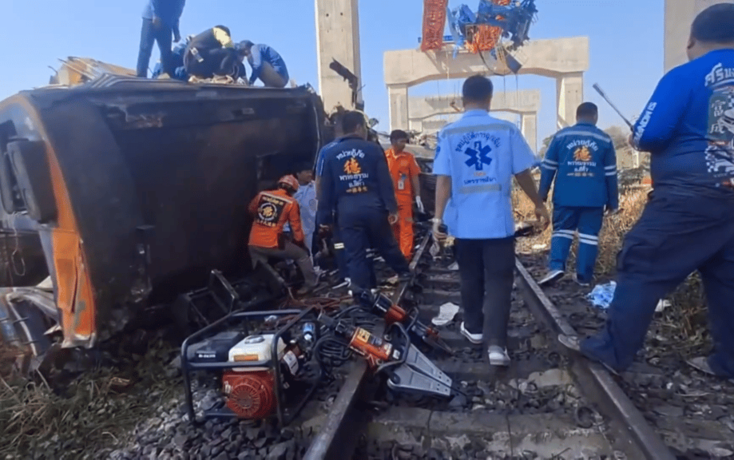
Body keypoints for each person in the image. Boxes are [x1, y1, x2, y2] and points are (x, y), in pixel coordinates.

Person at [559, 3, 734, 380]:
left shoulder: (685, 76)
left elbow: (652, 133)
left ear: (691, 40)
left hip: (690, 196)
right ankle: (728, 362)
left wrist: (636, 136)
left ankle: (612, 350)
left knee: (642, 262)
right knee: (727, 278)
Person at [433, 75, 550, 366]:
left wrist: (437, 219)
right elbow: (522, 173)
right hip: (497, 224)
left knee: (469, 276)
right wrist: (538, 204)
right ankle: (496, 345)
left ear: (463, 100)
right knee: (499, 281)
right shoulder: (506, 129)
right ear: (489, 98)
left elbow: (443, 180)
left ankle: (474, 328)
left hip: (464, 225)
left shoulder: (448, 133)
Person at [317, 111, 412, 293]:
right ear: (359, 127)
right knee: (387, 244)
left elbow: (325, 188)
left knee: (355, 254)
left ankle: (362, 293)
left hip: (347, 211)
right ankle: (404, 272)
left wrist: (324, 217)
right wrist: (392, 208)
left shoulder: (330, 153)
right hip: (373, 207)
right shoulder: (373, 149)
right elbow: (385, 182)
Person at [538, 103, 619, 287]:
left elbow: (548, 168)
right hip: (594, 198)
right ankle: (583, 276)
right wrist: (613, 201)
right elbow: (611, 174)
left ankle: (556, 266)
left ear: (577, 116)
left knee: (562, 230)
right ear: (595, 116)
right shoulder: (604, 139)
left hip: (565, 195)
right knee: (589, 235)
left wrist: (541, 196)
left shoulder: (561, 136)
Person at [248, 175, 318, 295]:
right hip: (273, 243)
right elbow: (296, 228)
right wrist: (300, 244)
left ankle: (265, 290)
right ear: (293, 191)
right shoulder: (291, 202)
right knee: (302, 255)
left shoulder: (262, 195)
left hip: (253, 242)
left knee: (261, 267)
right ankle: (311, 283)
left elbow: (251, 209)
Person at [385, 130, 425, 259]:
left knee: (406, 228)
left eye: (404, 141)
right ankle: (396, 257)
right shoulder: (384, 157)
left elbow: (414, 177)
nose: (404, 144)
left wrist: (417, 196)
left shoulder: (409, 158)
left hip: (405, 199)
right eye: (401, 141)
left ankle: (405, 257)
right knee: (392, 229)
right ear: (393, 141)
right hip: (389, 199)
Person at [137, 0, 186, 78]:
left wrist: (176, 31)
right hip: (151, 17)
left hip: (166, 22)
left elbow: (176, 13)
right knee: (145, 48)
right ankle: (141, 76)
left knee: (166, 53)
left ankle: (165, 77)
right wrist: (155, 15)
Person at [293, 164, 318, 256]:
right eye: (307, 172)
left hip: (310, 225)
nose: (310, 174)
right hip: (293, 226)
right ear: (298, 174)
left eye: (310, 172)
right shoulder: (291, 187)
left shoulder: (316, 186)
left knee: (308, 252)